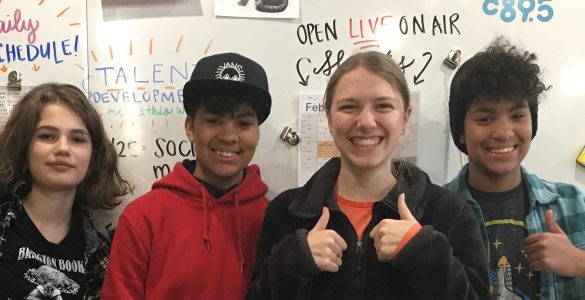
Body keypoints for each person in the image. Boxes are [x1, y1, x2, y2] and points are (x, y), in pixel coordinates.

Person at [246, 51, 490, 299]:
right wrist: (295, 261)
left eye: (383, 106)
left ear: (405, 118)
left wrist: (422, 253)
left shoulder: (449, 212)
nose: (365, 122)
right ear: (329, 120)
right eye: (349, 107)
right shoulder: (286, 212)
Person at [101, 52, 272, 299]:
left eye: (244, 124)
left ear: (257, 133)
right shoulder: (143, 217)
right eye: (213, 121)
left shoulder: (272, 218)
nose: (228, 136)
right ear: (190, 128)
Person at [445, 36, 585, 299]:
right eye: (485, 118)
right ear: (461, 131)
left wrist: (579, 262)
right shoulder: (437, 210)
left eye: (518, 115)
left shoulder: (571, 202)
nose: (503, 132)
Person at [0, 83, 133, 299]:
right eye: (47, 136)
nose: (63, 148)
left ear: (93, 157)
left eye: (77, 139)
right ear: (23, 148)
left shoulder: (100, 251)